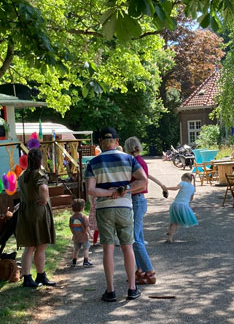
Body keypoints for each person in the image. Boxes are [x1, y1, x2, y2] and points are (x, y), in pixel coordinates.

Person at [85, 127, 148, 302]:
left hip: (104, 209)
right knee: (128, 247)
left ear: (100, 142)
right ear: (117, 142)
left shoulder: (93, 163)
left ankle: (111, 290)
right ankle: (132, 289)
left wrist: (107, 193)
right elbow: (143, 181)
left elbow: (90, 190)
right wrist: (124, 189)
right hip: (124, 208)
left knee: (108, 249)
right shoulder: (129, 159)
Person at [123, 136, 168, 286]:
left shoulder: (135, 162)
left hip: (136, 200)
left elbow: (142, 184)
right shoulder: (139, 161)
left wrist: (125, 189)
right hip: (138, 201)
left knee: (135, 239)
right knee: (139, 238)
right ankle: (141, 270)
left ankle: (150, 272)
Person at [16, 148, 56, 288]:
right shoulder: (38, 173)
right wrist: (44, 200)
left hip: (26, 211)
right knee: (41, 246)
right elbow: (44, 189)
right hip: (38, 212)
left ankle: (28, 277)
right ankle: (40, 276)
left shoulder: (23, 175)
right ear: (40, 160)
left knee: (29, 246)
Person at [164, 173, 198, 243]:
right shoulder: (193, 188)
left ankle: (170, 237)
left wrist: (166, 188)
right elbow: (191, 199)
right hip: (184, 206)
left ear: (185, 178)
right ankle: (169, 232)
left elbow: (176, 188)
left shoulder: (183, 183)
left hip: (176, 204)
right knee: (174, 221)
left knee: (173, 221)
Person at [69, 199, 93, 268]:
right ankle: (85, 261)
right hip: (83, 236)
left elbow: (70, 226)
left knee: (76, 249)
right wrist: (90, 234)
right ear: (82, 207)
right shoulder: (83, 217)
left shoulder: (72, 217)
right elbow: (87, 226)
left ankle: (74, 261)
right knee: (86, 248)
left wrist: (73, 233)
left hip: (76, 236)